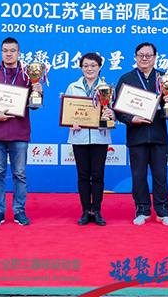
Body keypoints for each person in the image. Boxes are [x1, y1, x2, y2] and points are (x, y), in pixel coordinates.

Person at [0, 37, 42, 226]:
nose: (9, 54)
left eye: (13, 50)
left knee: (20, 174)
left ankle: (19, 211)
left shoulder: (28, 76)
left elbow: (34, 105)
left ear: (19, 53)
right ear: (1, 53)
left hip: (19, 133)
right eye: (5, 50)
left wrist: (38, 91)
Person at [115, 42, 168, 226]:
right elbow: (118, 109)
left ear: (155, 58)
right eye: (140, 55)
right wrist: (130, 119)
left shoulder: (165, 78)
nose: (144, 59)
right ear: (135, 57)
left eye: (148, 55)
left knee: (160, 175)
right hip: (137, 135)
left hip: (158, 135)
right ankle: (142, 210)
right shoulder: (126, 78)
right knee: (138, 175)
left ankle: (163, 211)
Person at [65, 52, 115, 226]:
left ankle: (97, 211)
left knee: (98, 175)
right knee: (83, 175)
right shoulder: (73, 87)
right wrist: (70, 122)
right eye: (85, 66)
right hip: (79, 137)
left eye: (93, 65)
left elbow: (114, 110)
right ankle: (86, 211)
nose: (89, 69)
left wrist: (111, 114)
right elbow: (68, 111)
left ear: (100, 67)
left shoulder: (106, 87)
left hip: (100, 137)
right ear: (81, 68)